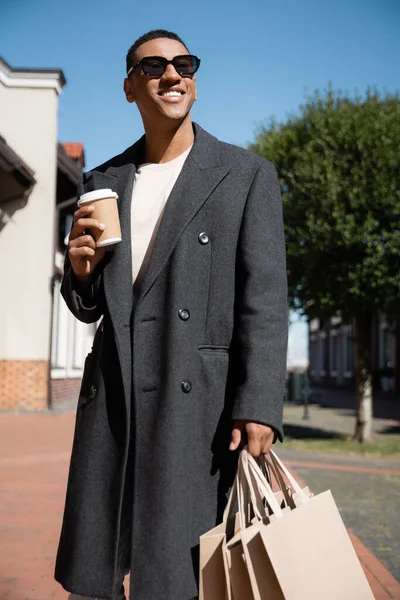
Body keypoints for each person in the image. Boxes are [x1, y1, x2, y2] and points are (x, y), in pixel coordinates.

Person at [55, 29, 288, 600]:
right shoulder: (102, 183)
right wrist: (80, 273)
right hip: (116, 395)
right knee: (103, 566)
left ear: (195, 83)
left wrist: (257, 404)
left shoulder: (244, 175)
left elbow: (265, 299)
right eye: (153, 65)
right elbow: (93, 307)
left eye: (183, 64)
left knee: (185, 572)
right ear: (130, 87)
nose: (172, 74)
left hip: (199, 408)